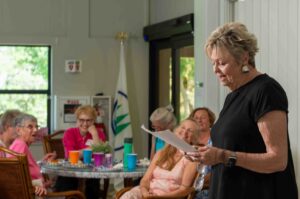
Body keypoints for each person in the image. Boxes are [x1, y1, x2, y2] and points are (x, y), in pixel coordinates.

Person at [186, 22, 298, 199]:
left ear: (244, 58)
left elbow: (278, 160)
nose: (215, 70)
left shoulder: (266, 91)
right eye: (213, 63)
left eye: (221, 63)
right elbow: (231, 146)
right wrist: (204, 154)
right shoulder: (232, 96)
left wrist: (222, 156)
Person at [120, 118, 200, 199]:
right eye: (183, 128)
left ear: (194, 138)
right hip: (147, 193)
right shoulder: (161, 153)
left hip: (167, 197)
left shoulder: (192, 159)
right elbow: (145, 180)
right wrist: (145, 193)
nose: (185, 132)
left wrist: (158, 197)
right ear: (176, 131)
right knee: (128, 196)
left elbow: (184, 190)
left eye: (190, 131)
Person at [55, 105, 106, 199]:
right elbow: (71, 156)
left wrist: (95, 135)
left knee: (93, 181)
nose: (85, 124)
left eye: (88, 120)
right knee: (66, 181)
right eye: (81, 120)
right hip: (71, 170)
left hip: (92, 170)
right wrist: (94, 147)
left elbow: (99, 156)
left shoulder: (99, 133)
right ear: (77, 120)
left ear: (93, 121)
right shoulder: (69, 133)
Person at [8, 113, 56, 197]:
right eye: (30, 127)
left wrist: (42, 161)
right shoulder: (20, 145)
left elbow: (26, 168)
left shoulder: (20, 144)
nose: (35, 130)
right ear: (19, 130)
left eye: (36, 126)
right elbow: (14, 175)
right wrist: (34, 187)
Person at [188, 107, 215, 199]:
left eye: (203, 117)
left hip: (208, 187)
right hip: (187, 184)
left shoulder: (217, 139)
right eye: (196, 118)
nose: (199, 120)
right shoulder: (188, 139)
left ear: (210, 121)